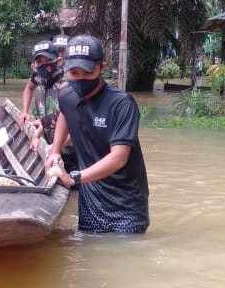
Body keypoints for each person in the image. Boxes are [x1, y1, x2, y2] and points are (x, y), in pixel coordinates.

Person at [45, 34, 149, 233]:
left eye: (87, 72)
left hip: (125, 205)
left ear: (102, 67)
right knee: (89, 253)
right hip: (91, 198)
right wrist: (56, 150)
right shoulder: (67, 95)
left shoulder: (121, 104)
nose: (80, 79)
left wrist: (73, 178)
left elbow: (119, 158)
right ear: (64, 66)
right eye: (73, 73)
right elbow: (65, 114)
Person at [20, 34, 69, 128]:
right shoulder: (38, 76)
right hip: (42, 134)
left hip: (62, 140)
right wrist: (24, 111)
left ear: (58, 61)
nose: (44, 65)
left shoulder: (68, 83)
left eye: (48, 61)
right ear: (34, 65)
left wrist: (56, 143)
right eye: (39, 62)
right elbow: (29, 88)